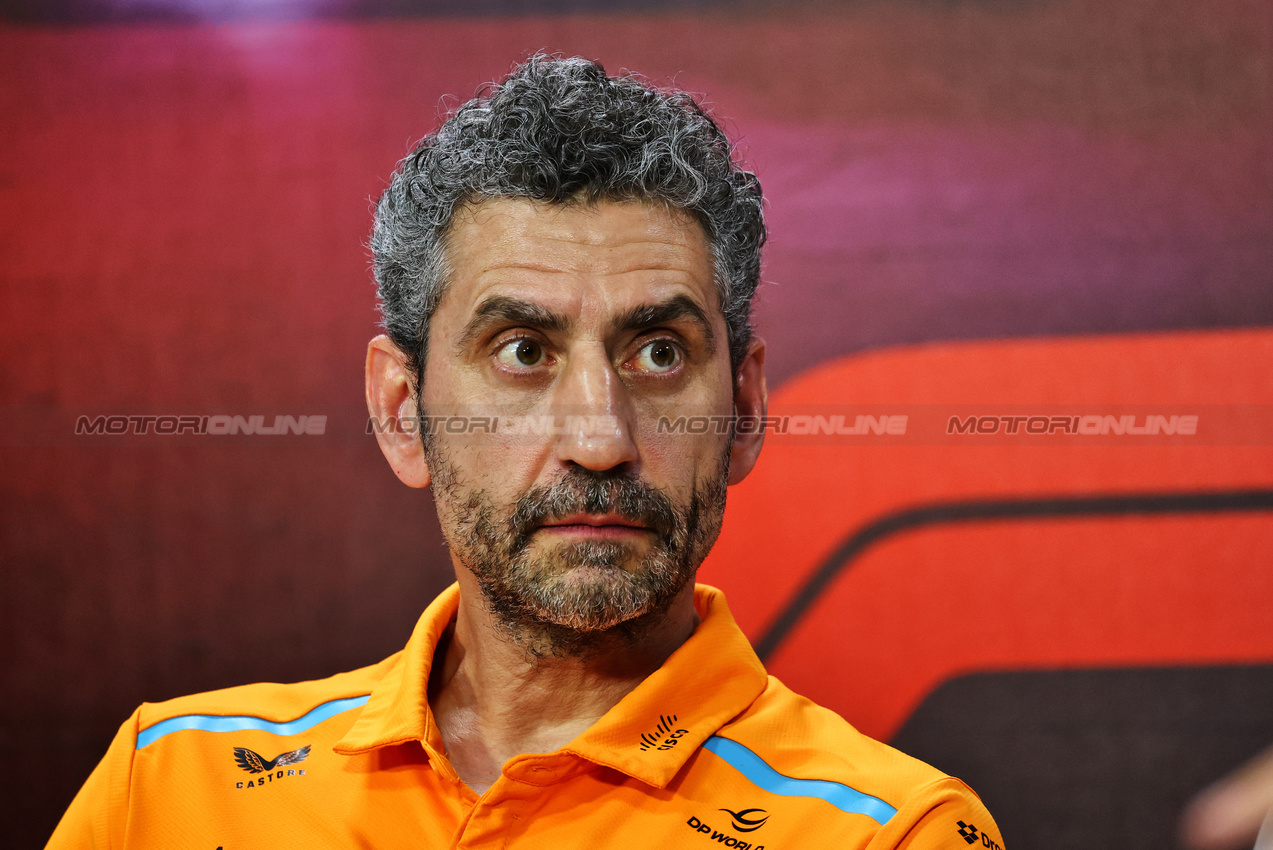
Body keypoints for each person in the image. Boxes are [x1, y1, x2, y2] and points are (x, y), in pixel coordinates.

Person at [48, 54, 1004, 848]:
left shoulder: (892, 834)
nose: (599, 439)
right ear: (401, 411)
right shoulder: (170, 783)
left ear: (744, 409)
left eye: (659, 353)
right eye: (521, 352)